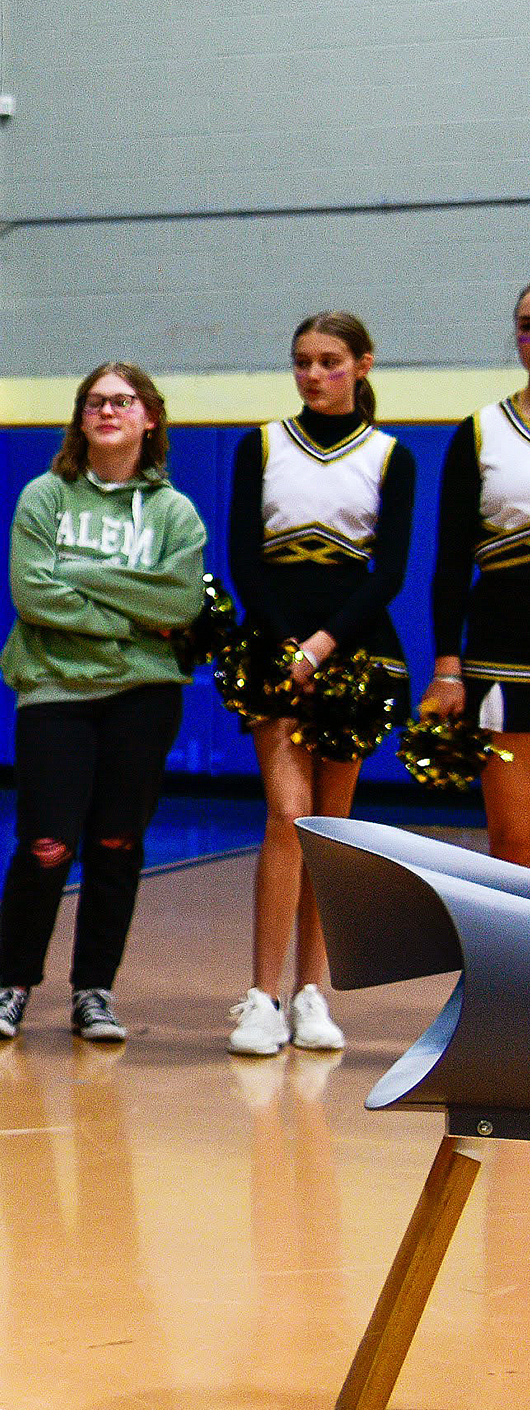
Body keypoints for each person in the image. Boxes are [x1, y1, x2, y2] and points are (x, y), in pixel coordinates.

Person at [0, 364, 207, 1045]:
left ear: (149, 418)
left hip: (145, 696)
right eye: (95, 402)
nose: (108, 411)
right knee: (46, 843)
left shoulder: (173, 512)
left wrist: (78, 575)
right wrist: (129, 619)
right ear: (80, 418)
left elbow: (180, 602)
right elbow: (32, 594)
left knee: (117, 843)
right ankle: (13, 985)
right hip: (56, 689)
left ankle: (94, 991)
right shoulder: (44, 497)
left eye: (123, 401)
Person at [228, 310, 412, 1059]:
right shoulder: (261, 444)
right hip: (275, 650)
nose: (313, 374)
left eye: (329, 361)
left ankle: (311, 992)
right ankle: (261, 998)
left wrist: (324, 647)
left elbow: (389, 571)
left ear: (362, 364)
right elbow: (244, 560)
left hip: (354, 652)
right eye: (302, 361)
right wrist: (288, 650)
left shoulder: (391, 455)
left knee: (330, 831)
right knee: (287, 818)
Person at [421, 280, 530, 867]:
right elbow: (450, 562)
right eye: (527, 326)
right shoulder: (482, 430)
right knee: (514, 839)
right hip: (503, 653)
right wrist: (447, 667)